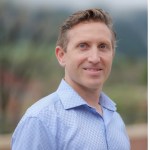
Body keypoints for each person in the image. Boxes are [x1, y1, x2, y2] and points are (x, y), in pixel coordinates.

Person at [11, 8, 130, 150]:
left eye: (103, 46)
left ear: (112, 54)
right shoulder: (41, 120)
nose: (95, 58)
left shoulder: (115, 120)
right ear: (61, 55)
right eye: (83, 46)